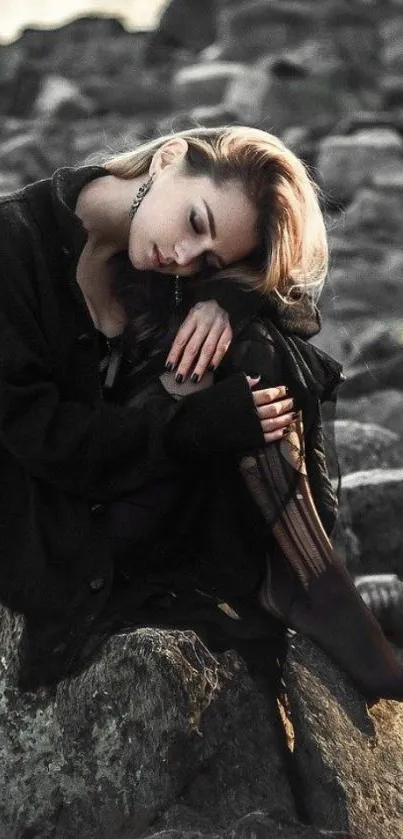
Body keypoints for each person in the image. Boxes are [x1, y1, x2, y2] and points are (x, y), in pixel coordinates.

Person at [0, 125, 402, 705]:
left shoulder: (169, 263)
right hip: (40, 508)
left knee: (257, 347)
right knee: (242, 367)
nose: (182, 258)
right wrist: (191, 429)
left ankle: (308, 576)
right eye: (195, 223)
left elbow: (296, 308)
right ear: (168, 158)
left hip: (123, 480)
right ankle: (310, 586)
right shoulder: (13, 242)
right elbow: (43, 439)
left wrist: (229, 297)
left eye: (208, 258)